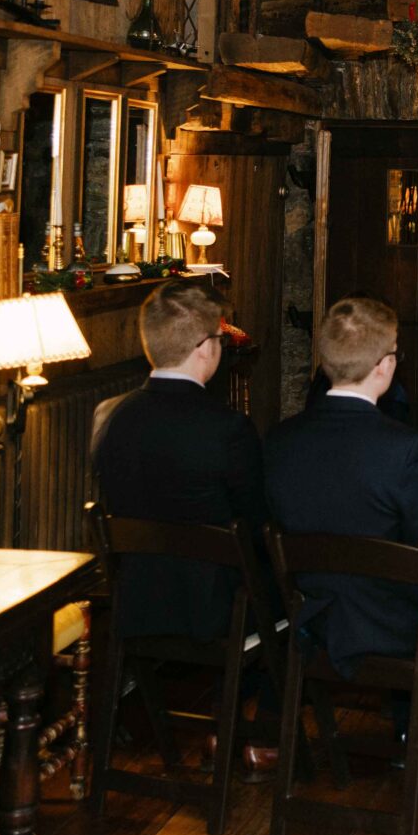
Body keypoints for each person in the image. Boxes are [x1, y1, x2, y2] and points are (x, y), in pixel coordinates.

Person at [266, 296, 418, 803]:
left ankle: (409, 730)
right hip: (390, 627)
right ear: (385, 368)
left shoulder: (281, 440)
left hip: (312, 620)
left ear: (324, 362)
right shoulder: (403, 447)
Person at [91, 280, 277, 772]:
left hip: (137, 602)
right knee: (298, 595)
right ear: (203, 350)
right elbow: (257, 527)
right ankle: (253, 729)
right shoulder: (227, 429)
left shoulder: (113, 419)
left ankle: (230, 723)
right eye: (217, 340)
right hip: (212, 613)